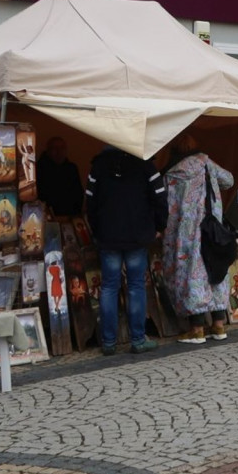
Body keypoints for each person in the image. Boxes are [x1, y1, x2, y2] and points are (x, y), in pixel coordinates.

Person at [86, 145, 168, 355]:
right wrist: (159, 226)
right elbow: (160, 198)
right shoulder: (146, 165)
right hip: (137, 235)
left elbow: (90, 203)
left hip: (108, 235)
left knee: (109, 287)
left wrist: (97, 230)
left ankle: (109, 342)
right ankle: (138, 340)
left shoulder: (98, 166)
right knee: (136, 286)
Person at [162, 133, 235, 344]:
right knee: (215, 270)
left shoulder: (171, 174)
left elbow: (165, 204)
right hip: (210, 228)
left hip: (184, 234)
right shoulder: (206, 163)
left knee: (190, 275)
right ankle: (219, 325)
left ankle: (196, 328)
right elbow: (228, 180)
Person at [37, 137, 84, 217]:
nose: (59, 152)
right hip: (46, 217)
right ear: (48, 150)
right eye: (55, 148)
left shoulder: (71, 169)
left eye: (62, 148)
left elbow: (78, 193)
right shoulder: (39, 169)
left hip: (70, 216)